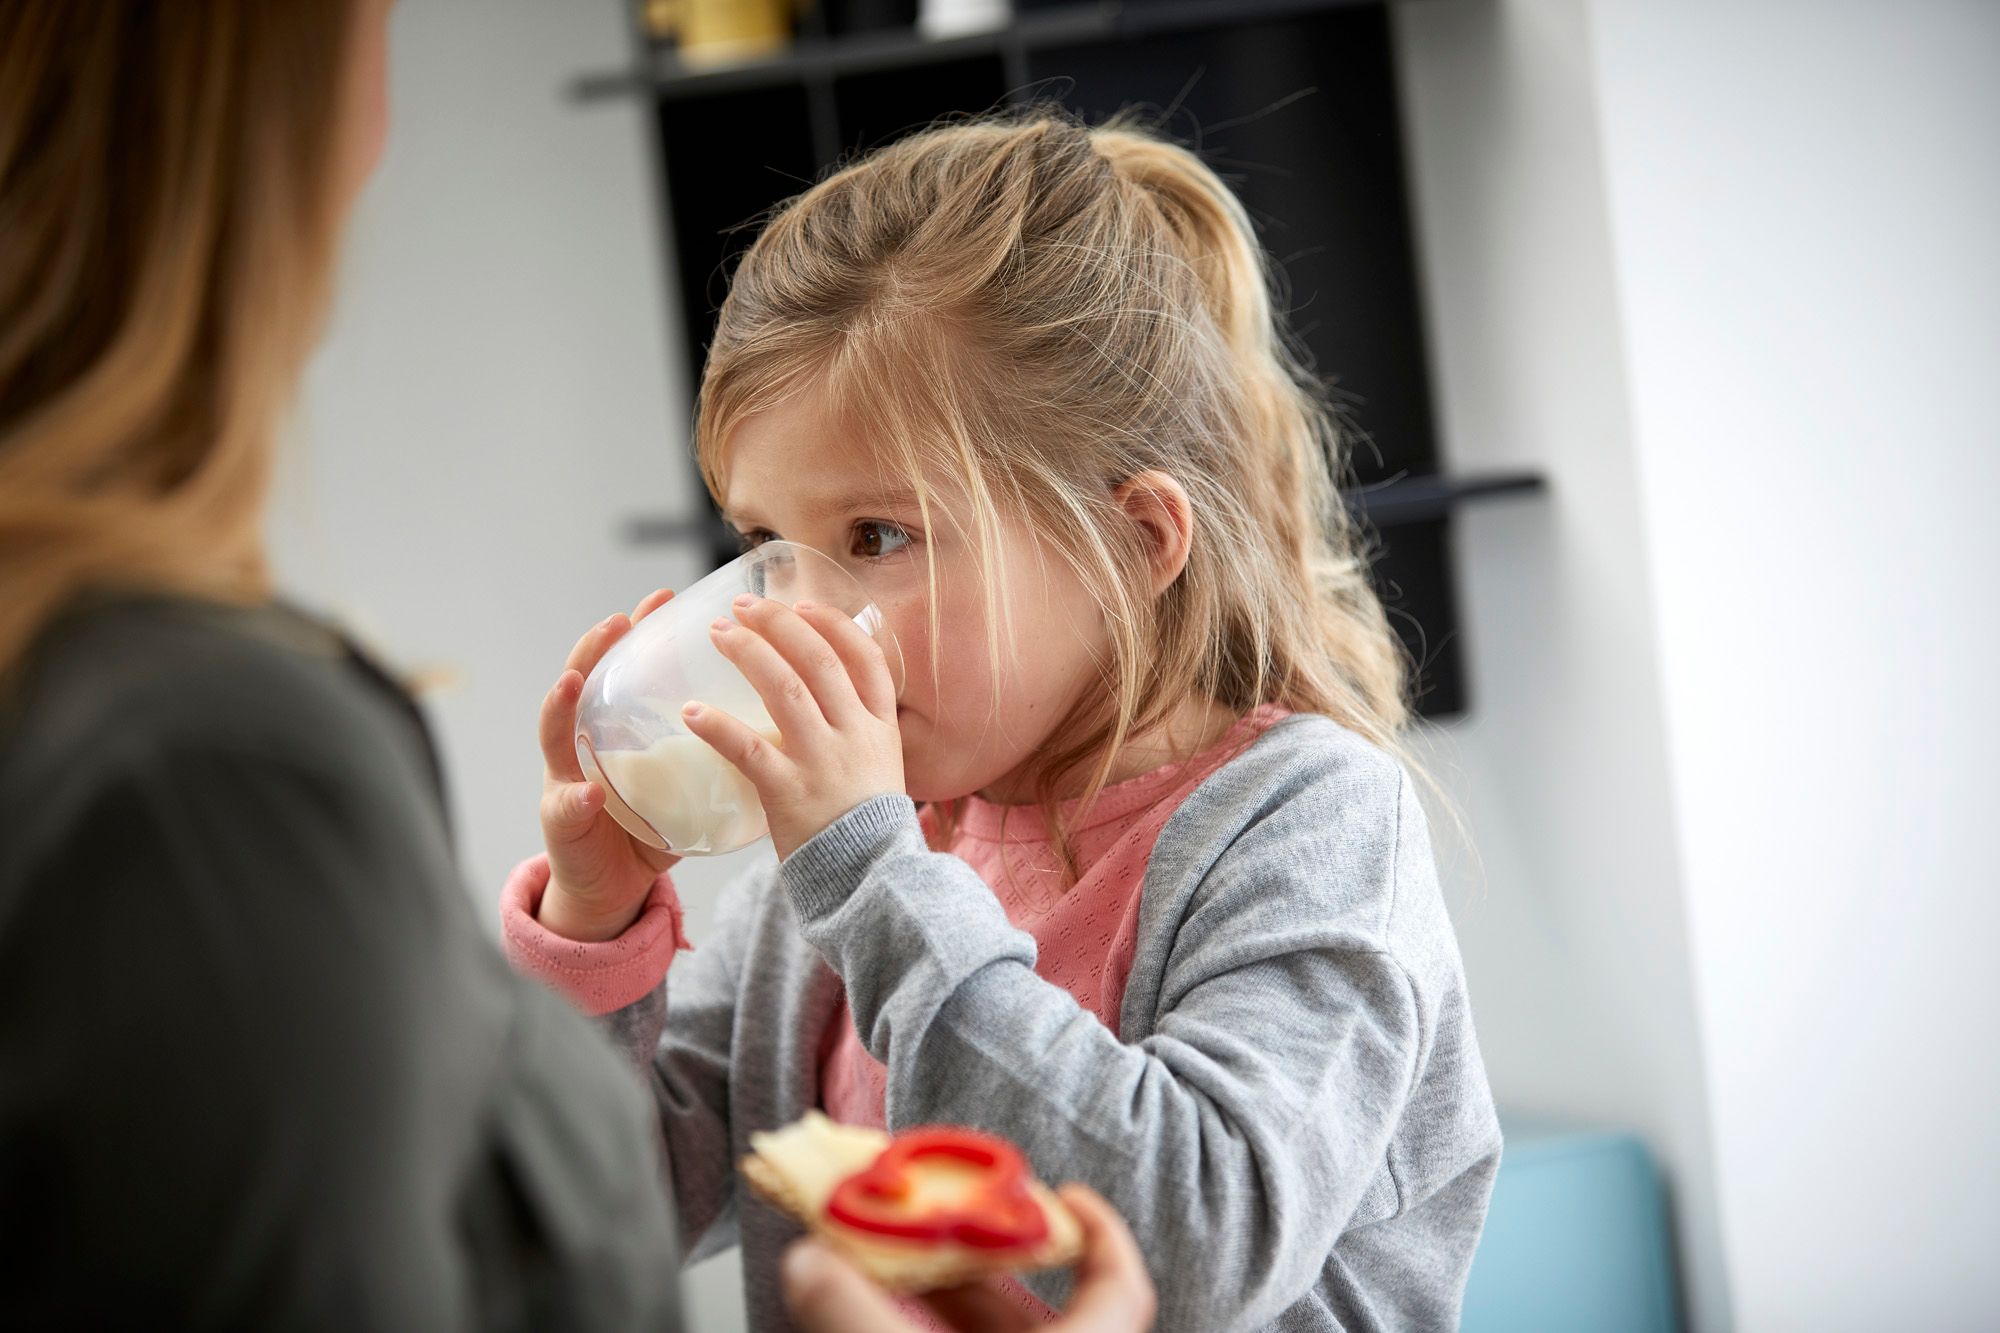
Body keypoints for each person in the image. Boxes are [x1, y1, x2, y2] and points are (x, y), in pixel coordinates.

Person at [503, 111, 1504, 1331]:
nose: (789, 618)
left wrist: (869, 871)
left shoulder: (1301, 825)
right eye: (766, 546)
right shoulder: (841, 871)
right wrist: (593, 939)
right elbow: (592, 1217)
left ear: (1132, 544)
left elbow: (1194, 1238)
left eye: (875, 537)